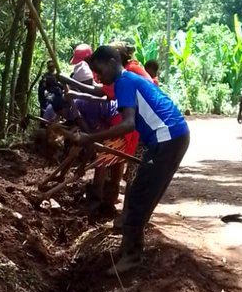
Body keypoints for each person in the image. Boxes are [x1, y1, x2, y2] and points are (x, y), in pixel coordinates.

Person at [66, 45, 189, 272]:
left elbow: (127, 124)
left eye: (99, 71)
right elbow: (99, 92)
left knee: (139, 194)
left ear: (113, 63)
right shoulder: (125, 80)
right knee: (139, 191)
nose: (98, 76)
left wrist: (89, 137)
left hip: (167, 137)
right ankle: (130, 247)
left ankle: (132, 255)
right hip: (171, 136)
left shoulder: (124, 81)